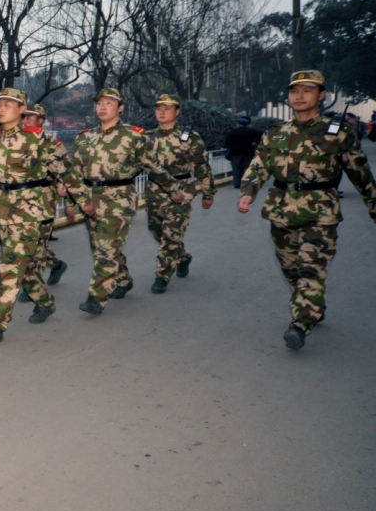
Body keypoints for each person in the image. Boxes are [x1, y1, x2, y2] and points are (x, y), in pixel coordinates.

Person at [238, 70, 376, 350]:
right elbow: (259, 166)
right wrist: (248, 192)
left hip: (320, 213)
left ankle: (300, 323)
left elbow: (360, 173)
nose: (299, 96)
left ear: (321, 95)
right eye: (294, 91)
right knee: (291, 268)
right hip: (281, 211)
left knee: (311, 268)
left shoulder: (338, 133)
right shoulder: (276, 133)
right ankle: (313, 305)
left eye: (307, 90)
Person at [0, 88, 87, 342]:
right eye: (0, 103)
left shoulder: (39, 139)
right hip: (5, 210)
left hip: (32, 211)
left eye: (9, 104)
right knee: (26, 266)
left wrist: (83, 201)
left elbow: (67, 172)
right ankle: (45, 301)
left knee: (9, 265)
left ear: (22, 110)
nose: (1, 107)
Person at [69, 87, 181, 315]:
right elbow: (74, 171)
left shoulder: (134, 137)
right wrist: (72, 199)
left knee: (106, 249)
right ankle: (123, 279)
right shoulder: (84, 138)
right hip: (91, 198)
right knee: (100, 246)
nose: (102, 107)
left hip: (119, 199)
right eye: (99, 102)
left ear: (120, 108)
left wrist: (172, 188)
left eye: (109, 103)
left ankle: (96, 298)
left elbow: (153, 167)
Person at [145, 94, 216, 294]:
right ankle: (183, 257)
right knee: (158, 231)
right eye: (159, 108)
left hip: (181, 192)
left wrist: (208, 193)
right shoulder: (148, 137)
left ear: (177, 112)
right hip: (154, 192)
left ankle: (162, 276)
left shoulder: (189, 136)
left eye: (167, 108)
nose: (162, 111)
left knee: (171, 235)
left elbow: (201, 167)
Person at [18, 103, 68, 294]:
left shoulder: (51, 143)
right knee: (28, 242)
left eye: (31, 116)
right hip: (21, 199)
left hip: (44, 196)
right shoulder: (17, 142)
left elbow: (66, 172)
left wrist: (69, 198)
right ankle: (55, 264)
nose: (26, 119)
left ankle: (33, 288)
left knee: (38, 242)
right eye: (25, 116)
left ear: (41, 121)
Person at [223, 116, 262, 188]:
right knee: (246, 167)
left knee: (236, 168)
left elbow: (227, 142)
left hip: (235, 153)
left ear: (238, 124)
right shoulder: (252, 131)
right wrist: (255, 142)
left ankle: (237, 183)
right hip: (248, 153)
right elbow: (262, 134)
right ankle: (246, 182)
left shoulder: (233, 132)